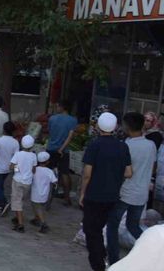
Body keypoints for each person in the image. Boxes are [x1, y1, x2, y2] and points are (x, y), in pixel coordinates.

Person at [80, 112, 132, 271]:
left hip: (94, 195)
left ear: (98, 126)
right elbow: (128, 173)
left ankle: (98, 264)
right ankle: (101, 254)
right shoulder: (123, 146)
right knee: (100, 226)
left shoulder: (94, 145)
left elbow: (87, 173)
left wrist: (83, 193)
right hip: (112, 196)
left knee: (91, 230)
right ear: (115, 127)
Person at [106, 112, 157, 266]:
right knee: (133, 225)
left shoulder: (126, 146)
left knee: (112, 225)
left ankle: (114, 259)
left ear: (127, 126)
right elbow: (154, 167)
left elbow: (121, 171)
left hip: (125, 192)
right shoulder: (151, 145)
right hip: (141, 193)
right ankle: (152, 250)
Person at [47, 100, 78, 206]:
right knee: (65, 173)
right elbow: (70, 136)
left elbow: (50, 132)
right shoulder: (73, 120)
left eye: (57, 106)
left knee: (47, 171)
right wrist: (62, 148)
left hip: (51, 148)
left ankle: (45, 193)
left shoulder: (52, 118)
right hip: (63, 151)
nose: (56, 108)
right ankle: (67, 197)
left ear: (61, 107)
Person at [10, 135, 37, 233]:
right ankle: (17, 217)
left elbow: (12, 166)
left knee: (17, 202)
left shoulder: (18, 154)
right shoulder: (34, 156)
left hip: (18, 180)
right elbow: (34, 170)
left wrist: (18, 170)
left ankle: (20, 224)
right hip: (28, 182)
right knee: (20, 200)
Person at [0, 121, 19, 212]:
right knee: (0, 185)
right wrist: (16, 171)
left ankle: (3, 203)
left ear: (4, 130)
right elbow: (17, 158)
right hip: (8, 169)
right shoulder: (15, 142)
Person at [30, 151, 57, 233]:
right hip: (45, 194)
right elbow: (54, 181)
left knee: (37, 207)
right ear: (47, 161)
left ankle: (43, 223)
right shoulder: (49, 171)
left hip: (35, 193)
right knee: (38, 207)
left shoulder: (34, 170)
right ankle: (36, 219)